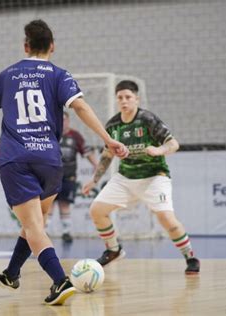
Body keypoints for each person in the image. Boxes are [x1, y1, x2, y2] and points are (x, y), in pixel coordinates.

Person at [0, 20, 128, 305]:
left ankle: (60, 281)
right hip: (50, 159)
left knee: (33, 226)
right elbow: (80, 106)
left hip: (16, 159)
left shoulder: (8, 75)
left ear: (25, 46)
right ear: (52, 46)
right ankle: (11, 272)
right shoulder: (59, 74)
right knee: (36, 221)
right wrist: (108, 139)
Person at [82, 80, 200, 274]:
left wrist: (159, 149)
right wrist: (94, 179)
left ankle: (190, 256)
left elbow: (174, 144)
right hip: (126, 177)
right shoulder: (113, 124)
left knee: (166, 219)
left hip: (154, 177)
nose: (124, 101)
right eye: (120, 97)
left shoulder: (147, 119)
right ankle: (113, 250)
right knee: (96, 210)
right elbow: (107, 155)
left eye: (128, 97)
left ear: (136, 99)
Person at [46, 111, 97, 243]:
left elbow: (87, 152)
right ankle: (43, 232)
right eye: (60, 120)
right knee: (48, 205)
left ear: (68, 121)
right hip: (50, 177)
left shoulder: (75, 136)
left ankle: (66, 232)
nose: (62, 123)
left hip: (68, 177)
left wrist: (97, 165)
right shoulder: (49, 135)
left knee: (65, 204)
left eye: (65, 120)